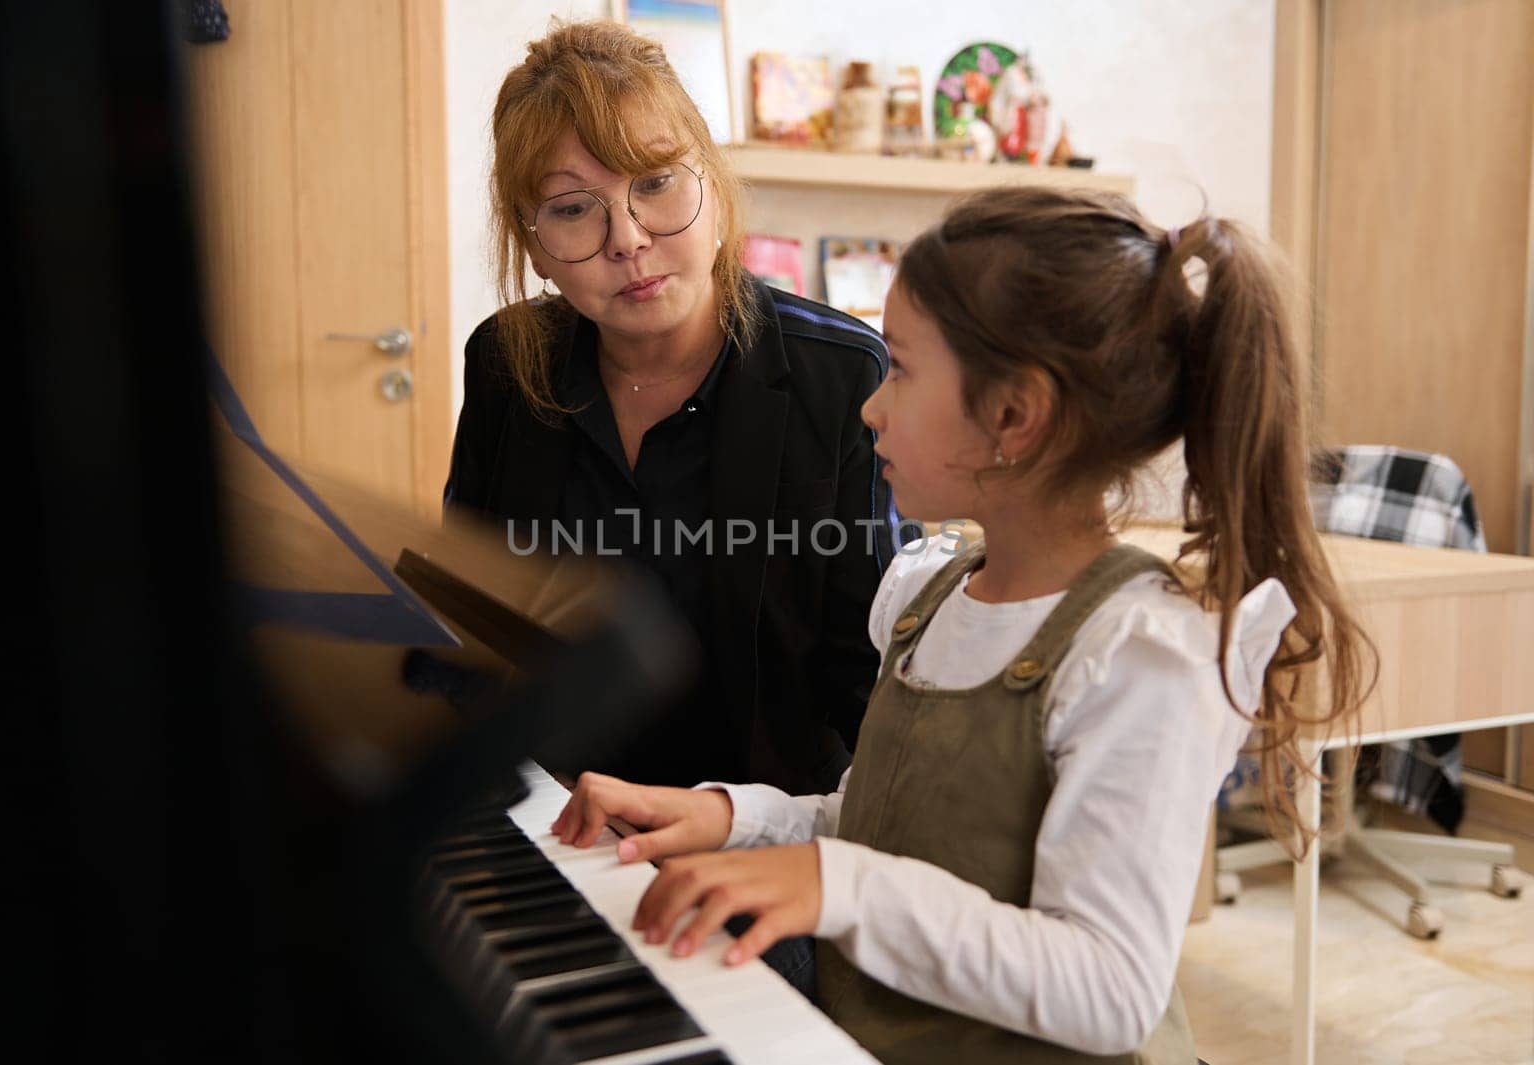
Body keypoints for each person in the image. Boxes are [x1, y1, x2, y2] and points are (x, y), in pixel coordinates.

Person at [549, 186, 1374, 1063]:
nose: (871, 406)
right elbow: (885, 828)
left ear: (1014, 416)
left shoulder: (1137, 656)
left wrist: (844, 883)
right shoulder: (933, 595)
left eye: (900, 367)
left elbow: (1111, 989)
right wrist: (727, 817)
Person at [444, 20, 891, 795]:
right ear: (534, 241)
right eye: (575, 208)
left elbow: (871, 673)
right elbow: (470, 619)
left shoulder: (841, 373)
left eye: (654, 184)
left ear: (712, 186)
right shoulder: (505, 362)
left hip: (758, 833)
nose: (629, 239)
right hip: (553, 824)